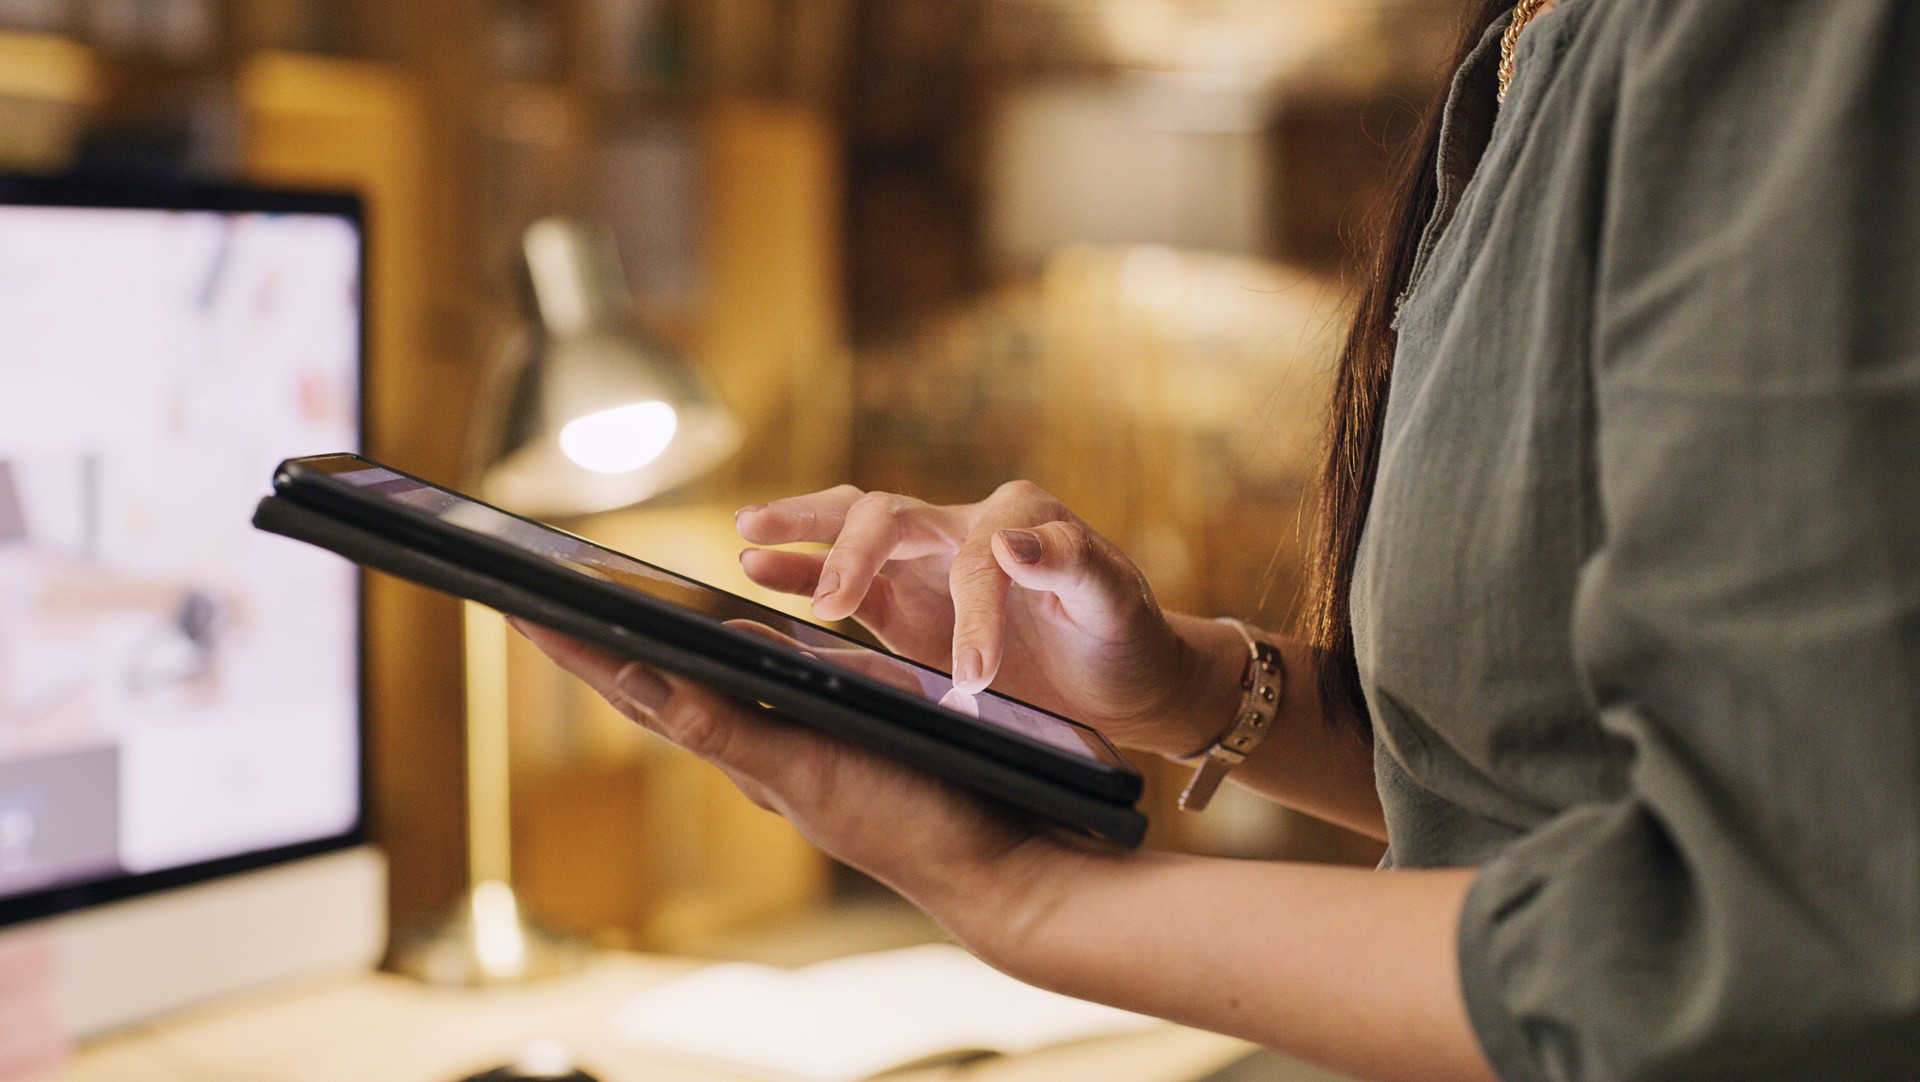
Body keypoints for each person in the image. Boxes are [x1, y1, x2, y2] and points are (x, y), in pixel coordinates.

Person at [516, 1, 1920, 1078]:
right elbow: (1543, 792)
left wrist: (1023, 891)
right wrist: (1189, 688)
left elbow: (1760, 946)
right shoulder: (1530, 48)